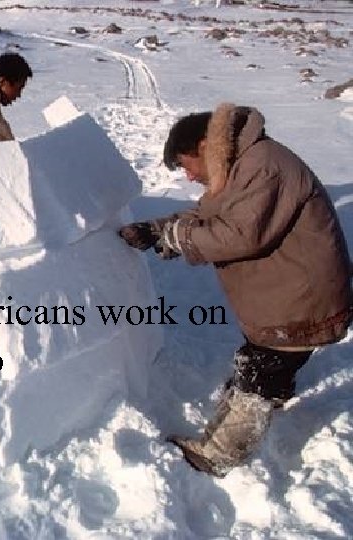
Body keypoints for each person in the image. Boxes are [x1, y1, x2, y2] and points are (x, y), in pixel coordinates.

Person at [119, 103, 353, 477]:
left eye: (186, 165)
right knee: (266, 361)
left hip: (301, 300)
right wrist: (159, 230)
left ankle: (218, 455)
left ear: (203, 147)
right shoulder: (241, 165)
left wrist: (176, 237)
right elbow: (208, 217)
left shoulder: (263, 166)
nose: (190, 177)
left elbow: (238, 235)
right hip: (292, 292)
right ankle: (271, 395)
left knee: (260, 373)